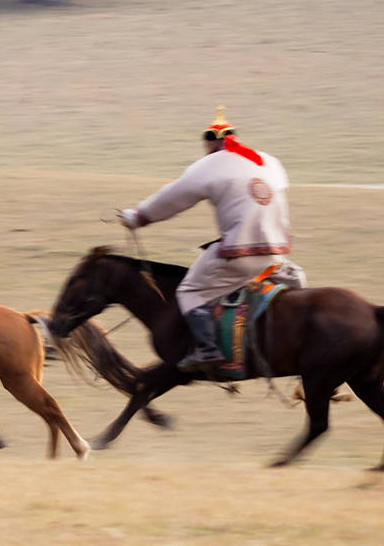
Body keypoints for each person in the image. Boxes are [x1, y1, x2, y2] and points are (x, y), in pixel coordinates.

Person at [118, 106, 300, 371]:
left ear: (208, 144)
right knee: (295, 283)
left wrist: (136, 217)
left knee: (190, 290)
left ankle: (208, 350)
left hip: (240, 254)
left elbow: (171, 199)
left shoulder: (208, 166)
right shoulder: (267, 161)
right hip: (276, 254)